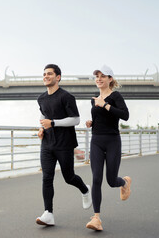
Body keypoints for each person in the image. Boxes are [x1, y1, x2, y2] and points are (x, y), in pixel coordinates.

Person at [36, 64, 92, 226]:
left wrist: (53, 123)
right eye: (44, 74)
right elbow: (43, 114)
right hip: (47, 143)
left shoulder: (66, 97)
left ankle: (85, 190)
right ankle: (48, 214)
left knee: (69, 177)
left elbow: (75, 119)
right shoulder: (41, 98)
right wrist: (41, 128)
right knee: (47, 178)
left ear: (58, 77)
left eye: (50, 74)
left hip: (64, 144)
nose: (46, 76)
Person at [85, 65, 131, 231]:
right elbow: (100, 119)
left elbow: (125, 115)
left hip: (112, 141)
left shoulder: (115, 96)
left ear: (110, 79)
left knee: (111, 181)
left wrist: (105, 105)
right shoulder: (94, 99)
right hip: (96, 141)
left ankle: (124, 182)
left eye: (103, 76)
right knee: (96, 178)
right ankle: (96, 218)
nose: (99, 78)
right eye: (97, 76)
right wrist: (91, 123)